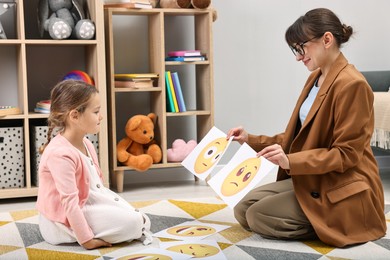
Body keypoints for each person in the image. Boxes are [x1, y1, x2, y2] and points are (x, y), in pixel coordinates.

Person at [227, 8, 387, 248]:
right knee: (243, 210)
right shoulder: (315, 78)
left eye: (300, 47)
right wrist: (249, 139)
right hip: (315, 177)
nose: (298, 57)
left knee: (258, 216)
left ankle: (337, 223)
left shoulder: (352, 85)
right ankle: (317, 216)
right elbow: (295, 138)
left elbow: (347, 155)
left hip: (342, 183)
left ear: (326, 40)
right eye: (295, 49)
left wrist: (291, 162)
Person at [36, 80, 152, 250]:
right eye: (96, 112)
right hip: (61, 221)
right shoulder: (60, 154)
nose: (101, 117)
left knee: (140, 218)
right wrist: (87, 240)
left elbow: (97, 188)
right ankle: (77, 232)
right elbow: (69, 202)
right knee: (134, 223)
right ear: (74, 116)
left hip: (86, 202)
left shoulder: (87, 144)